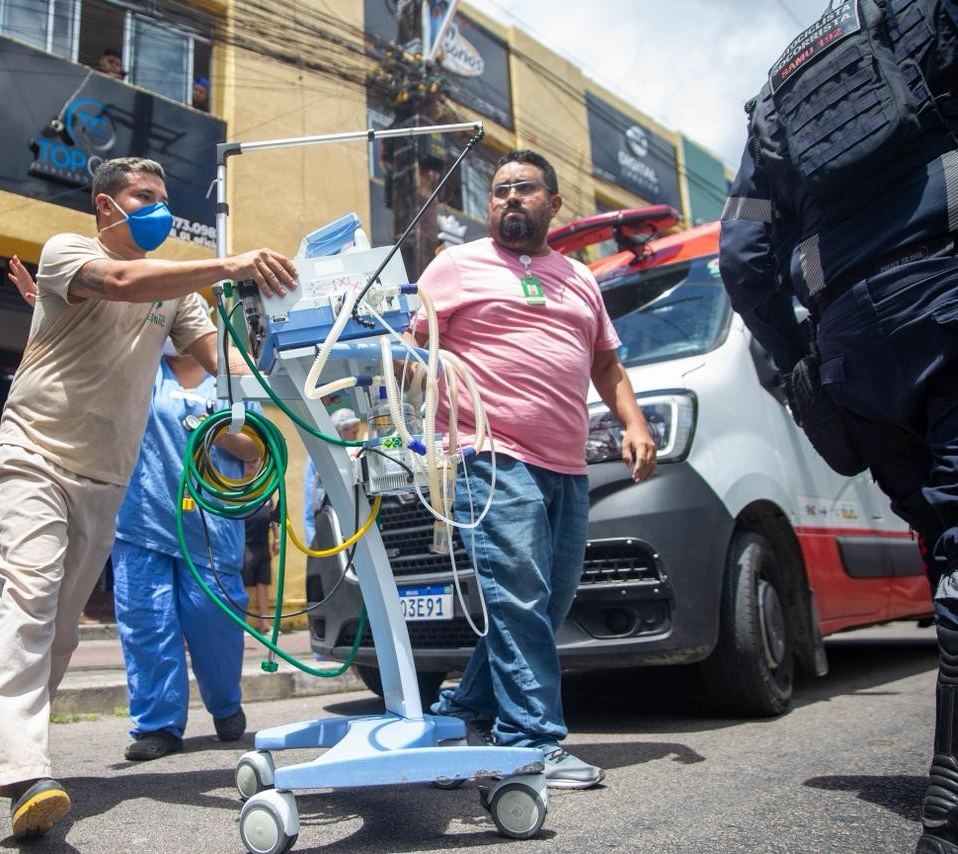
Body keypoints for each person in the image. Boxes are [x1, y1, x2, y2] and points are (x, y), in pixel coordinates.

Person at [0, 155, 296, 840]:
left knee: (60, 627)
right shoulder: (69, 253)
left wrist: (301, 358)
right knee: (30, 594)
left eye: (163, 197)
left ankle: (13, 741)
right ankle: (24, 770)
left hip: (107, 477)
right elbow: (122, 281)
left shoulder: (178, 295)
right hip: (34, 454)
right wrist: (228, 265)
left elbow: (228, 367)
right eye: (143, 196)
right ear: (106, 207)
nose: (157, 207)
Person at [717, 4, 958, 850]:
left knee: (943, 541)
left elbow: (742, 260)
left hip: (856, 345)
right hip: (944, 291)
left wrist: (801, 363)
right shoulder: (927, 17)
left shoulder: (777, 87)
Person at [411, 150, 656, 789]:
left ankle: (462, 714)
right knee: (518, 596)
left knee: (547, 602)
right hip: (485, 451)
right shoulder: (455, 266)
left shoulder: (579, 279)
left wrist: (634, 423)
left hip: (566, 463)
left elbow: (607, 363)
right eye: (498, 191)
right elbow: (407, 351)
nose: (509, 199)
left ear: (554, 202)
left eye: (523, 188)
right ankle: (530, 743)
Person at [113, 340, 259, 761]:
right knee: (147, 623)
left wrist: (214, 426)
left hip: (211, 526)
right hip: (142, 522)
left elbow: (255, 445)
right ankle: (156, 725)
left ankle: (225, 702)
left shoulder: (229, 375)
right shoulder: (140, 367)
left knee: (213, 622)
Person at [302, 407, 361, 542]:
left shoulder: (356, 453)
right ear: (342, 431)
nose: (356, 437)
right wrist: (313, 542)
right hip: (329, 527)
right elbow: (311, 505)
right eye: (354, 432)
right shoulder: (319, 457)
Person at [240, 457, 278, 633]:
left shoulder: (265, 490)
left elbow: (273, 517)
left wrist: (277, 539)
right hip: (245, 545)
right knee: (245, 586)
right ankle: (244, 624)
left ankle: (264, 624)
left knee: (263, 584)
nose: (251, 465)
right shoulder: (237, 487)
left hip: (263, 545)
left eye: (254, 462)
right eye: (248, 462)